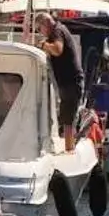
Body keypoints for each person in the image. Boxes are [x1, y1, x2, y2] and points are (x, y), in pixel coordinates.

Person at [37, 12, 83, 152]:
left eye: (39, 29)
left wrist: (44, 45)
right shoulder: (59, 29)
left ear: (45, 25)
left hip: (71, 82)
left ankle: (70, 150)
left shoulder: (57, 31)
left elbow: (57, 50)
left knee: (67, 119)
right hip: (69, 83)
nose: (40, 32)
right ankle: (70, 147)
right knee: (66, 117)